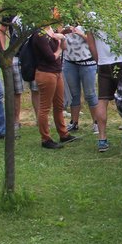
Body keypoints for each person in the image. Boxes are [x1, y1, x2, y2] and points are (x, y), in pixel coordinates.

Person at [31, 19, 76, 150]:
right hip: (46, 73)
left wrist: (63, 39)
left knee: (59, 105)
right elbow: (51, 57)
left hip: (57, 72)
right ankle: (45, 139)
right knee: (45, 107)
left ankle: (63, 134)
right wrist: (60, 48)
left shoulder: (51, 30)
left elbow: (64, 47)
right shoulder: (39, 35)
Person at [60, 23, 102, 134]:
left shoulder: (87, 22)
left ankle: (96, 123)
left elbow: (94, 42)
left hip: (87, 63)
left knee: (90, 94)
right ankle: (74, 122)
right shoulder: (63, 20)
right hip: (70, 62)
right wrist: (63, 33)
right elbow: (57, 39)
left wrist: (81, 34)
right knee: (74, 94)